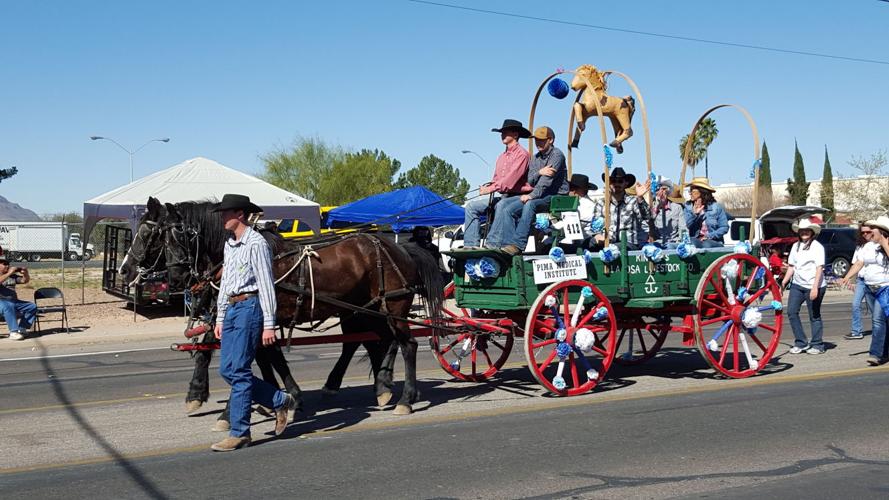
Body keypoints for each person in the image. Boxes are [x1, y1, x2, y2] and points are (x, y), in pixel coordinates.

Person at [210, 194, 298, 452]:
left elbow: (266, 285)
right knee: (227, 370)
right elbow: (225, 283)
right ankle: (280, 400)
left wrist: (269, 324)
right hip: (233, 308)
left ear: (239, 214)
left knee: (238, 370)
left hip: (250, 307)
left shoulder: (256, 243)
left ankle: (240, 432)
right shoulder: (230, 244)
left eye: (226, 213)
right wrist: (220, 316)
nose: (222, 218)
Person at [486, 126, 569, 255]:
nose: (538, 143)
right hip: (540, 195)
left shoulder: (557, 155)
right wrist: (539, 172)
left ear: (551, 140)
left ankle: (518, 244)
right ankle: (506, 245)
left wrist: (532, 195)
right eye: (536, 140)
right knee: (505, 206)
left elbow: (545, 183)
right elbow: (529, 180)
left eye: (542, 140)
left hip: (556, 196)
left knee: (530, 204)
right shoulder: (536, 158)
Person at [462, 119, 531, 249]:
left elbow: (510, 181)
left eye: (506, 132)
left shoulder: (522, 155)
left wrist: (490, 189)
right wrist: (488, 187)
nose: (502, 135)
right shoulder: (501, 157)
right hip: (505, 196)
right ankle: (470, 245)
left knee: (501, 205)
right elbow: (497, 179)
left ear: (515, 135)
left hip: (519, 197)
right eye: (502, 132)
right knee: (471, 207)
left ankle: (493, 244)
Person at [781, 217, 827, 355]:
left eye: (807, 231)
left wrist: (814, 288)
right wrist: (784, 282)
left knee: (814, 315)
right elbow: (791, 266)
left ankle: (818, 344)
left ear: (812, 232)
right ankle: (801, 342)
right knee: (791, 312)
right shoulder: (796, 246)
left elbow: (819, 268)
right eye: (802, 231)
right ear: (798, 232)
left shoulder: (817, 247)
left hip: (814, 284)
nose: (804, 233)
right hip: (797, 284)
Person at [848, 216, 889, 365]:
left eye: (873, 229)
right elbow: (859, 263)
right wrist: (847, 277)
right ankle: (885, 353)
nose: (870, 232)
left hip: (885, 288)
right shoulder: (868, 246)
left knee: (878, 321)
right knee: (882, 321)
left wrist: (884, 243)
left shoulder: (885, 244)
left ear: (882, 231)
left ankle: (875, 354)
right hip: (870, 287)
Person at [590, 167, 650, 251]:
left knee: (614, 248)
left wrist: (640, 197)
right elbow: (595, 226)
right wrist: (597, 236)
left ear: (626, 183)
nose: (616, 184)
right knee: (588, 244)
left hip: (629, 243)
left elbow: (647, 216)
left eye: (620, 181)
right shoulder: (601, 203)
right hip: (607, 242)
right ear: (609, 183)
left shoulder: (633, 201)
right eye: (613, 181)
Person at [842, 224, 874, 340]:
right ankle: (856, 331)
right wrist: (850, 279)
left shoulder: (878, 245)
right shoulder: (860, 247)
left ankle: (879, 330)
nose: (865, 234)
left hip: (872, 281)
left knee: (873, 309)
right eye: (863, 232)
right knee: (855, 304)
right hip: (861, 280)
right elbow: (856, 263)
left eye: (868, 232)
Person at [683, 177, 729, 248]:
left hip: (714, 242)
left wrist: (709, 236)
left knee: (706, 244)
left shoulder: (716, 207)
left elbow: (724, 227)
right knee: (691, 242)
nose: (690, 193)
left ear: (702, 192)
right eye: (690, 190)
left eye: (692, 190)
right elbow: (685, 225)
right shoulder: (688, 206)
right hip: (694, 241)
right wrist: (694, 214)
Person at [0, 256, 37, 341]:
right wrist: (9, 273)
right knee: (8, 305)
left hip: (13, 301)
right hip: (2, 302)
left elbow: (25, 281)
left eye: (8, 264)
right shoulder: (8, 274)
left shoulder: (12, 276)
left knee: (31, 306)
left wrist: (25, 273)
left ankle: (22, 329)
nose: (7, 266)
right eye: (4, 264)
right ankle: (13, 332)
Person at [650, 177, 687, 244]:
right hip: (658, 243)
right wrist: (657, 208)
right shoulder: (651, 208)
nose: (662, 192)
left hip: (674, 242)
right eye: (659, 189)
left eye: (664, 189)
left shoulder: (677, 208)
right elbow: (647, 224)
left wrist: (685, 242)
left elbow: (683, 228)